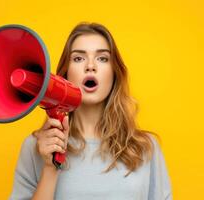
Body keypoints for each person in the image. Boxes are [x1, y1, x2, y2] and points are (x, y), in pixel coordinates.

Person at [9, 22, 172, 200]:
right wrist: (50, 167)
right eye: (78, 58)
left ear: (114, 73)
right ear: (66, 74)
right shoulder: (36, 146)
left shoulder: (145, 147)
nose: (90, 66)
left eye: (102, 58)